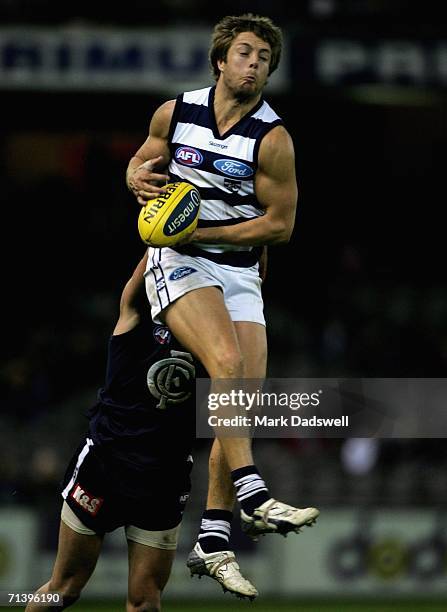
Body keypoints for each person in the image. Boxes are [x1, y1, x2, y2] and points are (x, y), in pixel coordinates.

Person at [126, 12, 319, 586]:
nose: (253, 63)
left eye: (263, 57)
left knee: (239, 406)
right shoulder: (175, 111)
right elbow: (143, 162)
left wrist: (203, 229)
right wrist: (135, 177)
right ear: (220, 60)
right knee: (226, 366)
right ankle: (255, 495)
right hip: (178, 260)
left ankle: (213, 536)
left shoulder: (274, 138)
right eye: (244, 52)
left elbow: (280, 227)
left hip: (237, 269)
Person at [25, 252, 257, 612]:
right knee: (65, 588)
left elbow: (247, 281)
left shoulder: (215, 341)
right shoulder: (135, 312)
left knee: (145, 601)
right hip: (107, 462)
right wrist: (176, 224)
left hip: (164, 479)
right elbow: (154, 256)